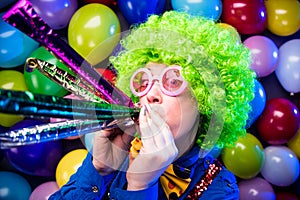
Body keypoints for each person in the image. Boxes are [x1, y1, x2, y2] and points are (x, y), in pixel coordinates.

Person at [50, 11, 256, 200]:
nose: (150, 95)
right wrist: (99, 168)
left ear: (208, 101)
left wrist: (141, 186)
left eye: (173, 81)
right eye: (144, 81)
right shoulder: (116, 154)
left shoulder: (219, 189)